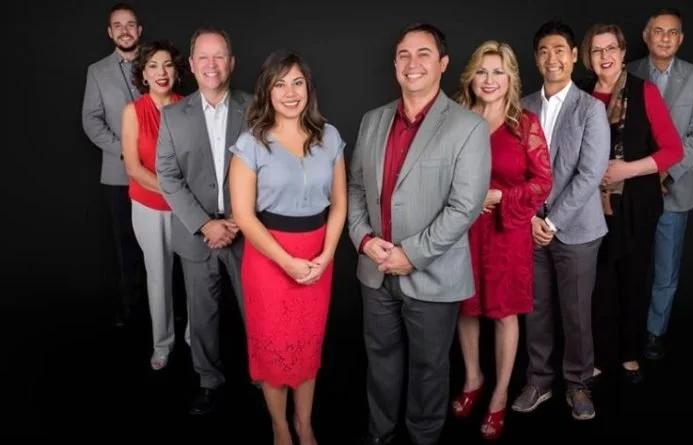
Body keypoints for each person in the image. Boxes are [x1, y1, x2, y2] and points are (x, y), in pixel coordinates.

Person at [347, 23, 491, 445]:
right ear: (395, 63)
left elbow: (464, 207)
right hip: (374, 270)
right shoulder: (372, 121)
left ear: (443, 63)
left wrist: (410, 255)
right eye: (404, 55)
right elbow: (356, 188)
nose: (413, 63)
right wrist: (364, 240)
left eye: (424, 53)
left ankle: (424, 437)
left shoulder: (467, 127)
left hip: (431, 272)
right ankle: (381, 434)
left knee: (430, 369)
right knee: (381, 362)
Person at [229, 50, 347, 445]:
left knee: (308, 343)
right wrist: (287, 262)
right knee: (273, 346)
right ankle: (280, 426)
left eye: (297, 82)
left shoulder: (329, 136)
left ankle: (304, 422)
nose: (290, 92)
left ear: (308, 88)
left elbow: (340, 204)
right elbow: (244, 217)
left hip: (318, 254)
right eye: (280, 83)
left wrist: (326, 255)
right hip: (269, 258)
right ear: (267, 90)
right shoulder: (250, 144)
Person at [450, 40, 552, 440]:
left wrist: (500, 197)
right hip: (463, 230)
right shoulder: (456, 118)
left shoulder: (524, 124)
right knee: (466, 307)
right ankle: (473, 378)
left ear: (510, 78)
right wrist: (466, 201)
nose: (489, 80)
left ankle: (499, 394)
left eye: (498, 72)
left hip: (507, 233)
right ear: (471, 76)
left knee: (505, 313)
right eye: (481, 71)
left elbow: (543, 182)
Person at [510, 20, 610, 421]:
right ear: (536, 59)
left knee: (576, 312)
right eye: (544, 51)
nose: (552, 58)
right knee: (535, 309)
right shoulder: (523, 106)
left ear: (572, 56)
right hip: (530, 226)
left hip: (578, 230)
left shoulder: (591, 109)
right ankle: (539, 380)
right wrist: (533, 217)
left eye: (559, 51)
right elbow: (515, 169)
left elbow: (590, 173)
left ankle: (579, 383)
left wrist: (551, 221)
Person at [576, 23, 683, 384]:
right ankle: (601, 355)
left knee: (633, 281)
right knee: (597, 285)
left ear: (623, 54)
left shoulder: (644, 92)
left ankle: (629, 353)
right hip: (589, 208)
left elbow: (673, 150)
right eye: (597, 50)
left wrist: (626, 169)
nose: (604, 56)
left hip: (636, 204)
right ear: (588, 58)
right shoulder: (581, 97)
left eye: (611, 49)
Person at [155, 27, 252, 415]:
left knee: (257, 312)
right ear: (192, 65)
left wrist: (239, 221)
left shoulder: (257, 106)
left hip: (247, 231)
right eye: (204, 57)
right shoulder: (174, 115)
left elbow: (272, 169)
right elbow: (167, 175)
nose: (212, 65)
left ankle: (265, 379)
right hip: (197, 235)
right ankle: (209, 383)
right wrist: (204, 223)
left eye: (219, 56)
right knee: (203, 316)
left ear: (231, 63)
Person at [627, 8, 693, 360]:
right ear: (646, 35)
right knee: (627, 263)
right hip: (629, 186)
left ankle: (653, 333)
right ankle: (624, 329)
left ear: (681, 38)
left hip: (674, 188)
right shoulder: (627, 70)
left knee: (666, 268)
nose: (665, 37)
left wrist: (665, 173)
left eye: (672, 32)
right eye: (658, 31)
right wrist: (641, 174)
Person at [121, 40, 188, 370]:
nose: (161, 72)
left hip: (188, 209)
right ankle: (163, 344)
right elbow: (133, 168)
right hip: (149, 206)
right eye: (153, 66)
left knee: (196, 275)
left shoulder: (189, 107)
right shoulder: (133, 111)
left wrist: (183, 198)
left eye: (167, 65)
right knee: (158, 277)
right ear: (143, 74)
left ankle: (194, 334)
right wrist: (174, 191)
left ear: (176, 72)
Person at [82, 3, 144, 327]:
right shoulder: (97, 71)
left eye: (130, 24)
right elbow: (91, 122)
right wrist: (125, 151)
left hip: (160, 176)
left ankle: (167, 310)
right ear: (110, 33)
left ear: (139, 30)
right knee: (127, 246)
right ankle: (131, 310)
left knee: (165, 245)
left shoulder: (157, 65)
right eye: (118, 25)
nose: (124, 30)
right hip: (118, 174)